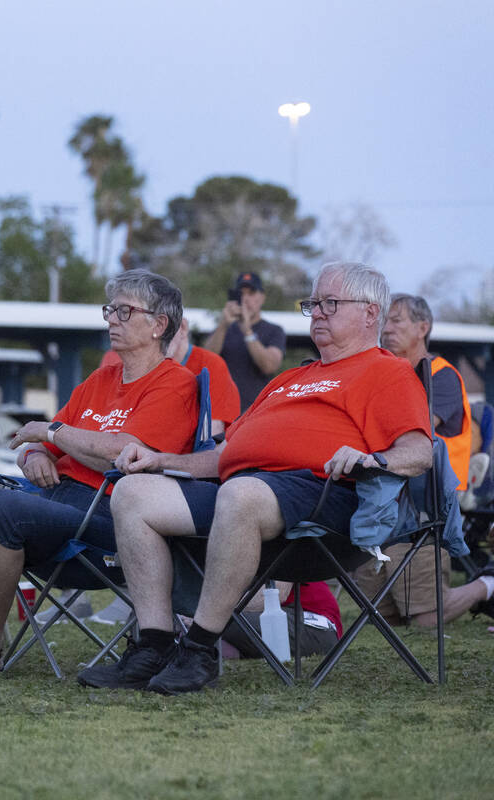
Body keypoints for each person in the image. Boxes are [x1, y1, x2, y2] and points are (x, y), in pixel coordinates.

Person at [84, 262, 433, 695]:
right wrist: (160, 460)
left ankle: (198, 649)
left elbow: (418, 453)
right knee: (134, 493)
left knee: (241, 494)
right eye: (313, 304)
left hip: (322, 502)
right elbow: (228, 455)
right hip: (244, 492)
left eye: (330, 303)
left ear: (369, 313)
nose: (317, 313)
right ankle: (153, 646)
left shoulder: (386, 371)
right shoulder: (288, 380)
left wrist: (371, 460)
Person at [0, 269, 199, 678]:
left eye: (123, 311)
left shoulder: (176, 384)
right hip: (52, 504)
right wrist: (37, 456)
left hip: (110, 521)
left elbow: (125, 453)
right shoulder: (100, 380)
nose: (111, 319)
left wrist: (53, 435)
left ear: (159, 325)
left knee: (3, 510)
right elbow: (38, 445)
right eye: (110, 310)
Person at [353, 293, 494, 625]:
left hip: (433, 492)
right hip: (389, 485)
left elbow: (417, 432)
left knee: (425, 622)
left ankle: (487, 584)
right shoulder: (381, 374)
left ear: (423, 327)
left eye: (396, 320)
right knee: (378, 617)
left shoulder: (441, 374)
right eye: (384, 321)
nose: (386, 328)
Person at [101, 316, 240, 435]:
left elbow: (211, 438)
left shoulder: (210, 365)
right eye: (152, 326)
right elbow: (102, 421)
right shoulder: (118, 360)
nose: (158, 335)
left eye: (164, 325)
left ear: (183, 327)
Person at [204, 271, 285, 410]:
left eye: (251, 293)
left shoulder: (274, 330)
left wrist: (247, 330)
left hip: (255, 412)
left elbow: (269, 366)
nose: (245, 299)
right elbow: (206, 361)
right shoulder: (224, 328)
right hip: (223, 412)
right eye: (241, 293)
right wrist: (223, 324)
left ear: (262, 297)